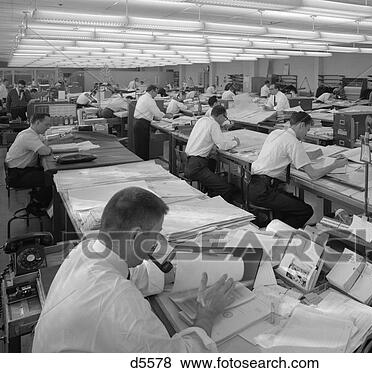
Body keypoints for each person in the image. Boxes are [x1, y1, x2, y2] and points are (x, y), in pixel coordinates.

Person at [32, 187, 235, 352]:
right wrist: (207, 315)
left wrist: (170, 274)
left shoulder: (86, 251)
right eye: (156, 235)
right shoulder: (120, 301)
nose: (157, 244)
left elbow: (125, 275)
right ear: (136, 236)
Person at [249, 112, 348, 228]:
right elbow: (313, 175)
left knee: (294, 205)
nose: (306, 134)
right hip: (264, 192)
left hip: (254, 186)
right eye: (307, 129)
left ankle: (279, 228)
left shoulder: (276, 133)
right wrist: (334, 165)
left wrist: (321, 153)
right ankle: (278, 232)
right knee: (305, 210)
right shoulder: (293, 142)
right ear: (301, 125)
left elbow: (292, 154)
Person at [185, 105, 240, 202]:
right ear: (220, 116)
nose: (225, 120)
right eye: (225, 117)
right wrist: (235, 142)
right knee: (226, 188)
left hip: (190, 161)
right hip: (197, 166)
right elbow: (222, 145)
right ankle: (223, 209)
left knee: (212, 164)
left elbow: (207, 138)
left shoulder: (202, 120)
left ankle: (209, 195)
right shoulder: (214, 124)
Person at [5, 113, 53, 211]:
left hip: (20, 170)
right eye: (46, 125)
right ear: (37, 122)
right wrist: (49, 149)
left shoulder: (30, 133)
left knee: (47, 172)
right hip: (17, 175)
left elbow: (45, 142)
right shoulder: (28, 136)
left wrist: (46, 146)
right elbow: (45, 151)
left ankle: (41, 201)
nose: (48, 127)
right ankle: (37, 204)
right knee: (51, 177)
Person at [134, 85, 172, 160]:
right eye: (156, 92)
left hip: (139, 123)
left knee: (140, 146)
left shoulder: (143, 97)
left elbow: (147, 111)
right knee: (143, 146)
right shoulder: (149, 99)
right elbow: (157, 113)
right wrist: (167, 116)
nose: (156, 94)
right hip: (142, 124)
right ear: (152, 91)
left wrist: (154, 117)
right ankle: (144, 162)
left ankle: (141, 161)